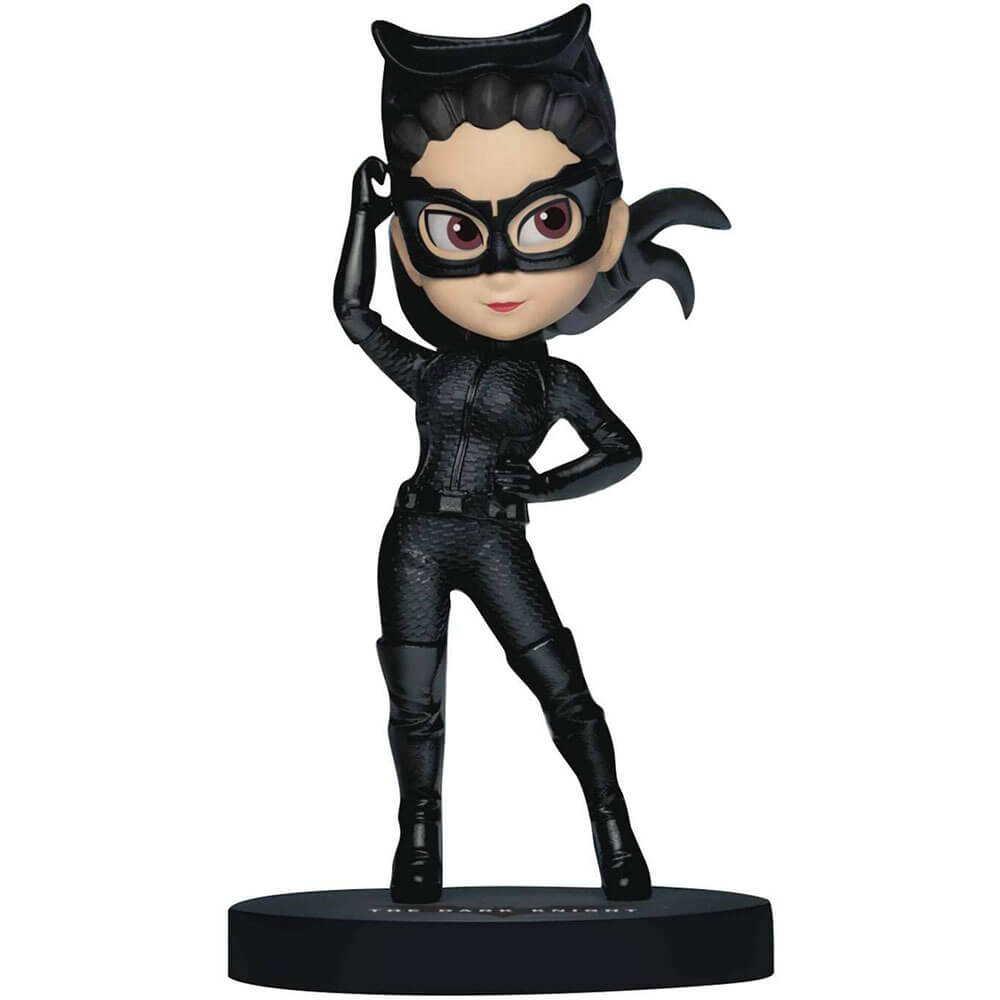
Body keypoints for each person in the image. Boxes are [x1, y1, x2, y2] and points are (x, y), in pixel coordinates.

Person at [334, 4, 729, 903]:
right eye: (457, 231)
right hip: (416, 538)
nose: (503, 273)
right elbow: (355, 317)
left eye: (546, 221)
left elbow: (621, 450)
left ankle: (614, 831)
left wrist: (541, 486)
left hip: (494, 538)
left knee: (563, 689)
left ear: (606, 230)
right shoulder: (433, 368)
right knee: (413, 703)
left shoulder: (555, 383)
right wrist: (360, 218)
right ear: (413, 243)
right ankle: (419, 842)